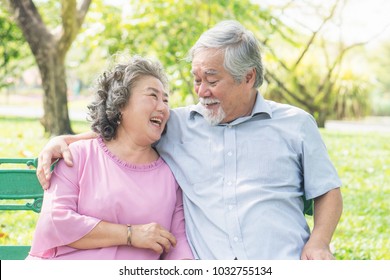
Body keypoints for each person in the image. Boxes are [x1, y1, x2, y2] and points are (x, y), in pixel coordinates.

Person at [37, 20, 343, 260]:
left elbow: (327, 190)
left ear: (248, 77)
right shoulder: (179, 123)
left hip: (281, 263)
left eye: (211, 80)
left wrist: (319, 242)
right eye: (196, 80)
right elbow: (129, 128)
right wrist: (66, 139)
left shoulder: (296, 124)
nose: (201, 91)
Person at [27, 55, 193, 260]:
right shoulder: (78, 155)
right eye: (153, 96)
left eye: (166, 100)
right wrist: (131, 234)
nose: (163, 107)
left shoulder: (169, 174)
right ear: (121, 104)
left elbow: (177, 242)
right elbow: (55, 222)